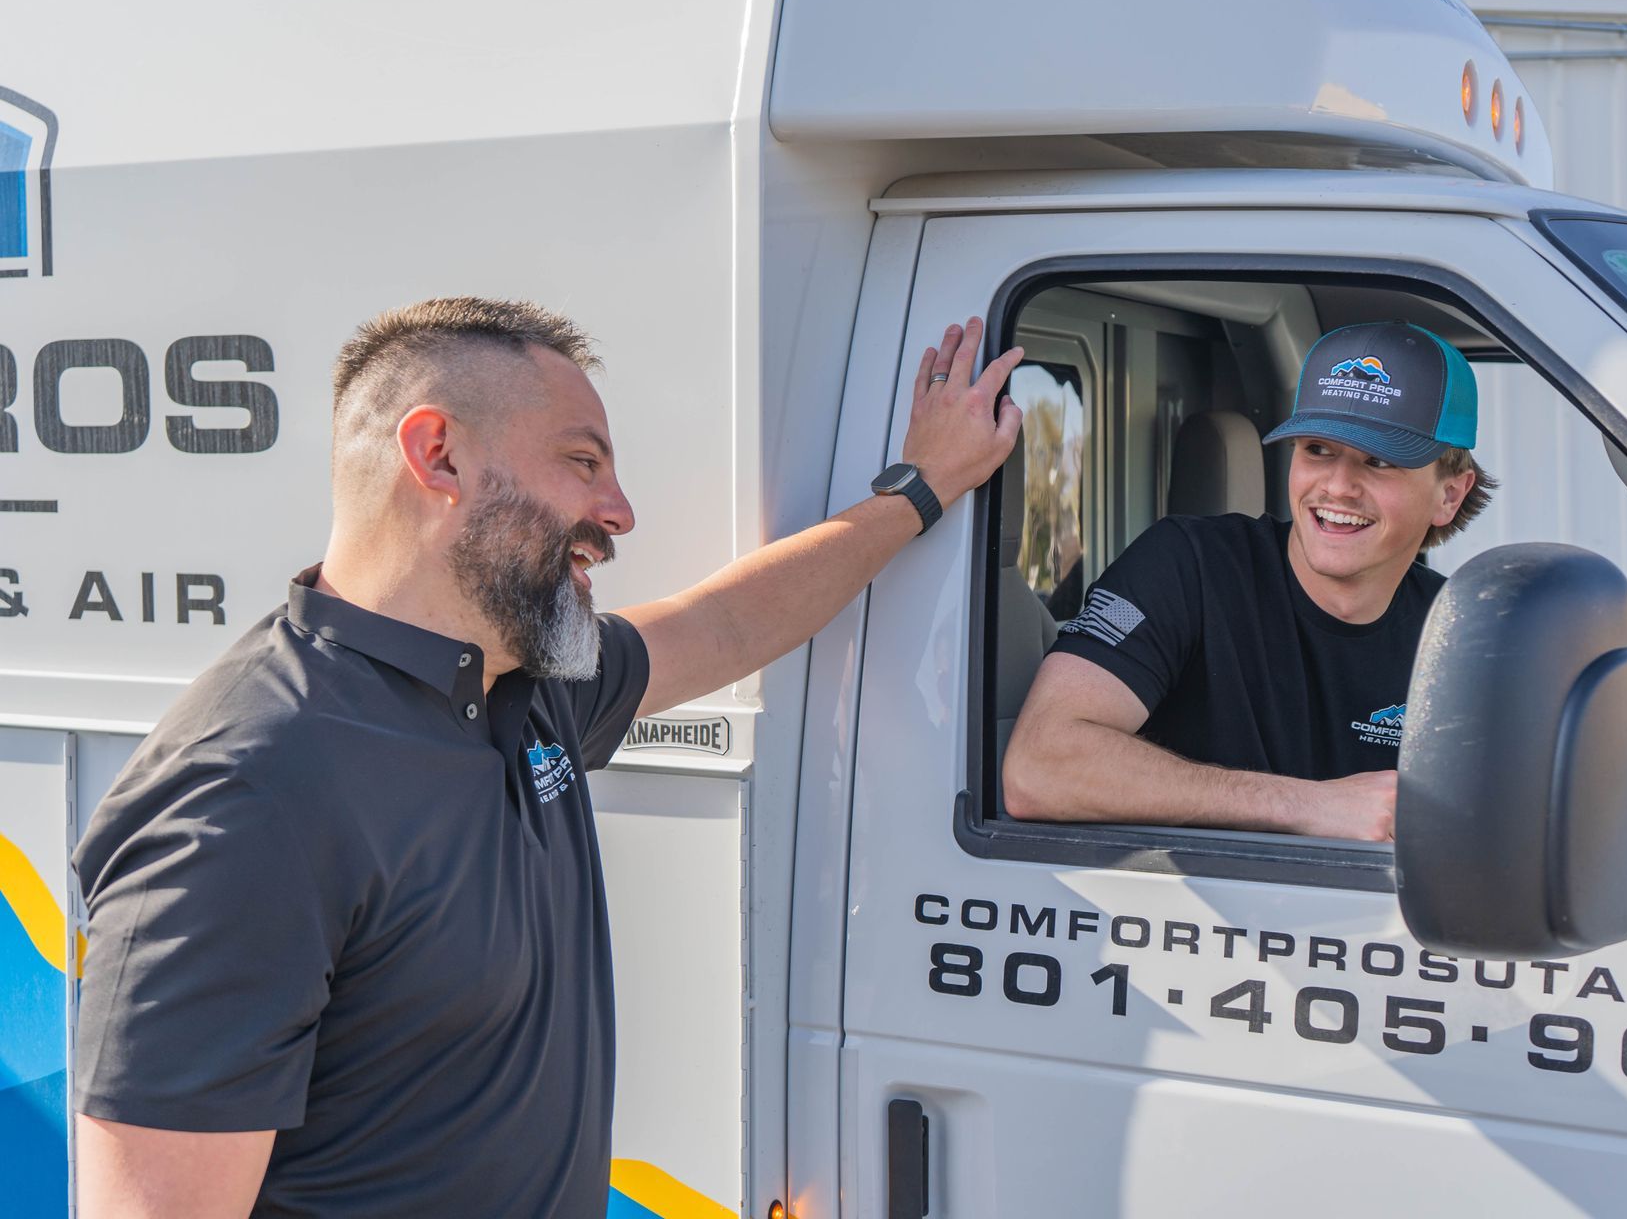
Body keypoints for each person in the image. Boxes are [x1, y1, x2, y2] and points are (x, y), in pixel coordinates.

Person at [70, 299, 1022, 1218]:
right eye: (582, 463)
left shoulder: (526, 688)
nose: (619, 512)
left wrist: (920, 490)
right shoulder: (249, 790)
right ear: (436, 454)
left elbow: (727, 623)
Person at [1002, 322, 1496, 842]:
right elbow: (1038, 767)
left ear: (1450, 495)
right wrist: (1309, 806)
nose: (1337, 486)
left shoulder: (1461, 639)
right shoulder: (1187, 566)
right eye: (1317, 450)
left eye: (1379, 461)